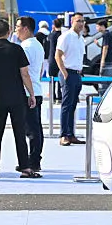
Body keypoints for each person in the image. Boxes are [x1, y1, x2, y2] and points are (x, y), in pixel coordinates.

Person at [0, 19, 36, 178]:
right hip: (17, 97)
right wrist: (31, 94)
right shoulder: (17, 49)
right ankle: (25, 167)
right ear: (9, 31)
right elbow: (24, 73)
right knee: (19, 132)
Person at [16, 16, 45, 173]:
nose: (16, 30)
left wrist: (30, 92)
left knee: (31, 129)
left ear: (26, 28)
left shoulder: (25, 47)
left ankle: (33, 161)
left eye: (18, 27)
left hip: (29, 91)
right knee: (36, 127)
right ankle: (34, 158)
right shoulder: (37, 45)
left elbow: (24, 71)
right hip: (36, 89)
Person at [55, 12, 86, 146]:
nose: (81, 23)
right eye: (78, 21)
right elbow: (58, 55)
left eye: (82, 21)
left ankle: (71, 134)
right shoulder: (66, 36)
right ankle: (63, 135)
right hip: (68, 72)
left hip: (77, 73)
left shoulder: (81, 38)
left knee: (73, 105)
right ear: (72, 22)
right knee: (66, 105)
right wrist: (64, 73)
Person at [46, 17, 63, 103]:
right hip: (61, 59)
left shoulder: (51, 35)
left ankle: (52, 95)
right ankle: (60, 95)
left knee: (52, 79)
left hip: (52, 59)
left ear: (54, 25)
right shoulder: (63, 35)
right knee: (60, 79)